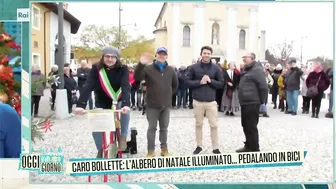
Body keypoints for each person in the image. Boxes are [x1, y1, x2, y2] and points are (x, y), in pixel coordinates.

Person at [74, 46, 131, 155]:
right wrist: (81, 104)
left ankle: (123, 137)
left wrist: (126, 104)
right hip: (102, 101)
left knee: (125, 114)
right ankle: (101, 149)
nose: (110, 59)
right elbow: (88, 85)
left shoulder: (123, 68)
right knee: (95, 122)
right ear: (103, 57)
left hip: (118, 101)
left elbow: (125, 86)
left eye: (113, 57)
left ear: (117, 58)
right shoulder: (96, 68)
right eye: (107, 56)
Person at [134, 48, 178, 157]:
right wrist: (140, 64)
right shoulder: (148, 69)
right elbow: (137, 77)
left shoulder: (170, 70)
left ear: (166, 56)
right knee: (152, 128)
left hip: (165, 105)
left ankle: (164, 149)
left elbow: (175, 85)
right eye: (160, 54)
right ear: (156, 55)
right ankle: (150, 150)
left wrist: (167, 94)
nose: (162, 56)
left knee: (164, 129)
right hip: (152, 105)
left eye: (164, 54)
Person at [186, 46, 224, 155]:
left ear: (211, 55)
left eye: (208, 53)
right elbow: (187, 82)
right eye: (204, 53)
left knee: (214, 125)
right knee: (198, 124)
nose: (206, 55)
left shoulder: (216, 68)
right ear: (201, 54)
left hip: (211, 101)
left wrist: (210, 81)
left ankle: (215, 147)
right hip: (198, 101)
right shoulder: (193, 67)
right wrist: (199, 82)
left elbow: (221, 84)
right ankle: (199, 146)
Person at [236, 52, 268, 152]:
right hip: (245, 102)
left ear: (252, 58)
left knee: (251, 126)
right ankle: (248, 145)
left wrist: (262, 101)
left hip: (252, 102)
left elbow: (263, 86)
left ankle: (254, 148)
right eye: (243, 57)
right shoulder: (248, 69)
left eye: (245, 57)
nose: (243, 59)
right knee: (245, 124)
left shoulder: (257, 69)